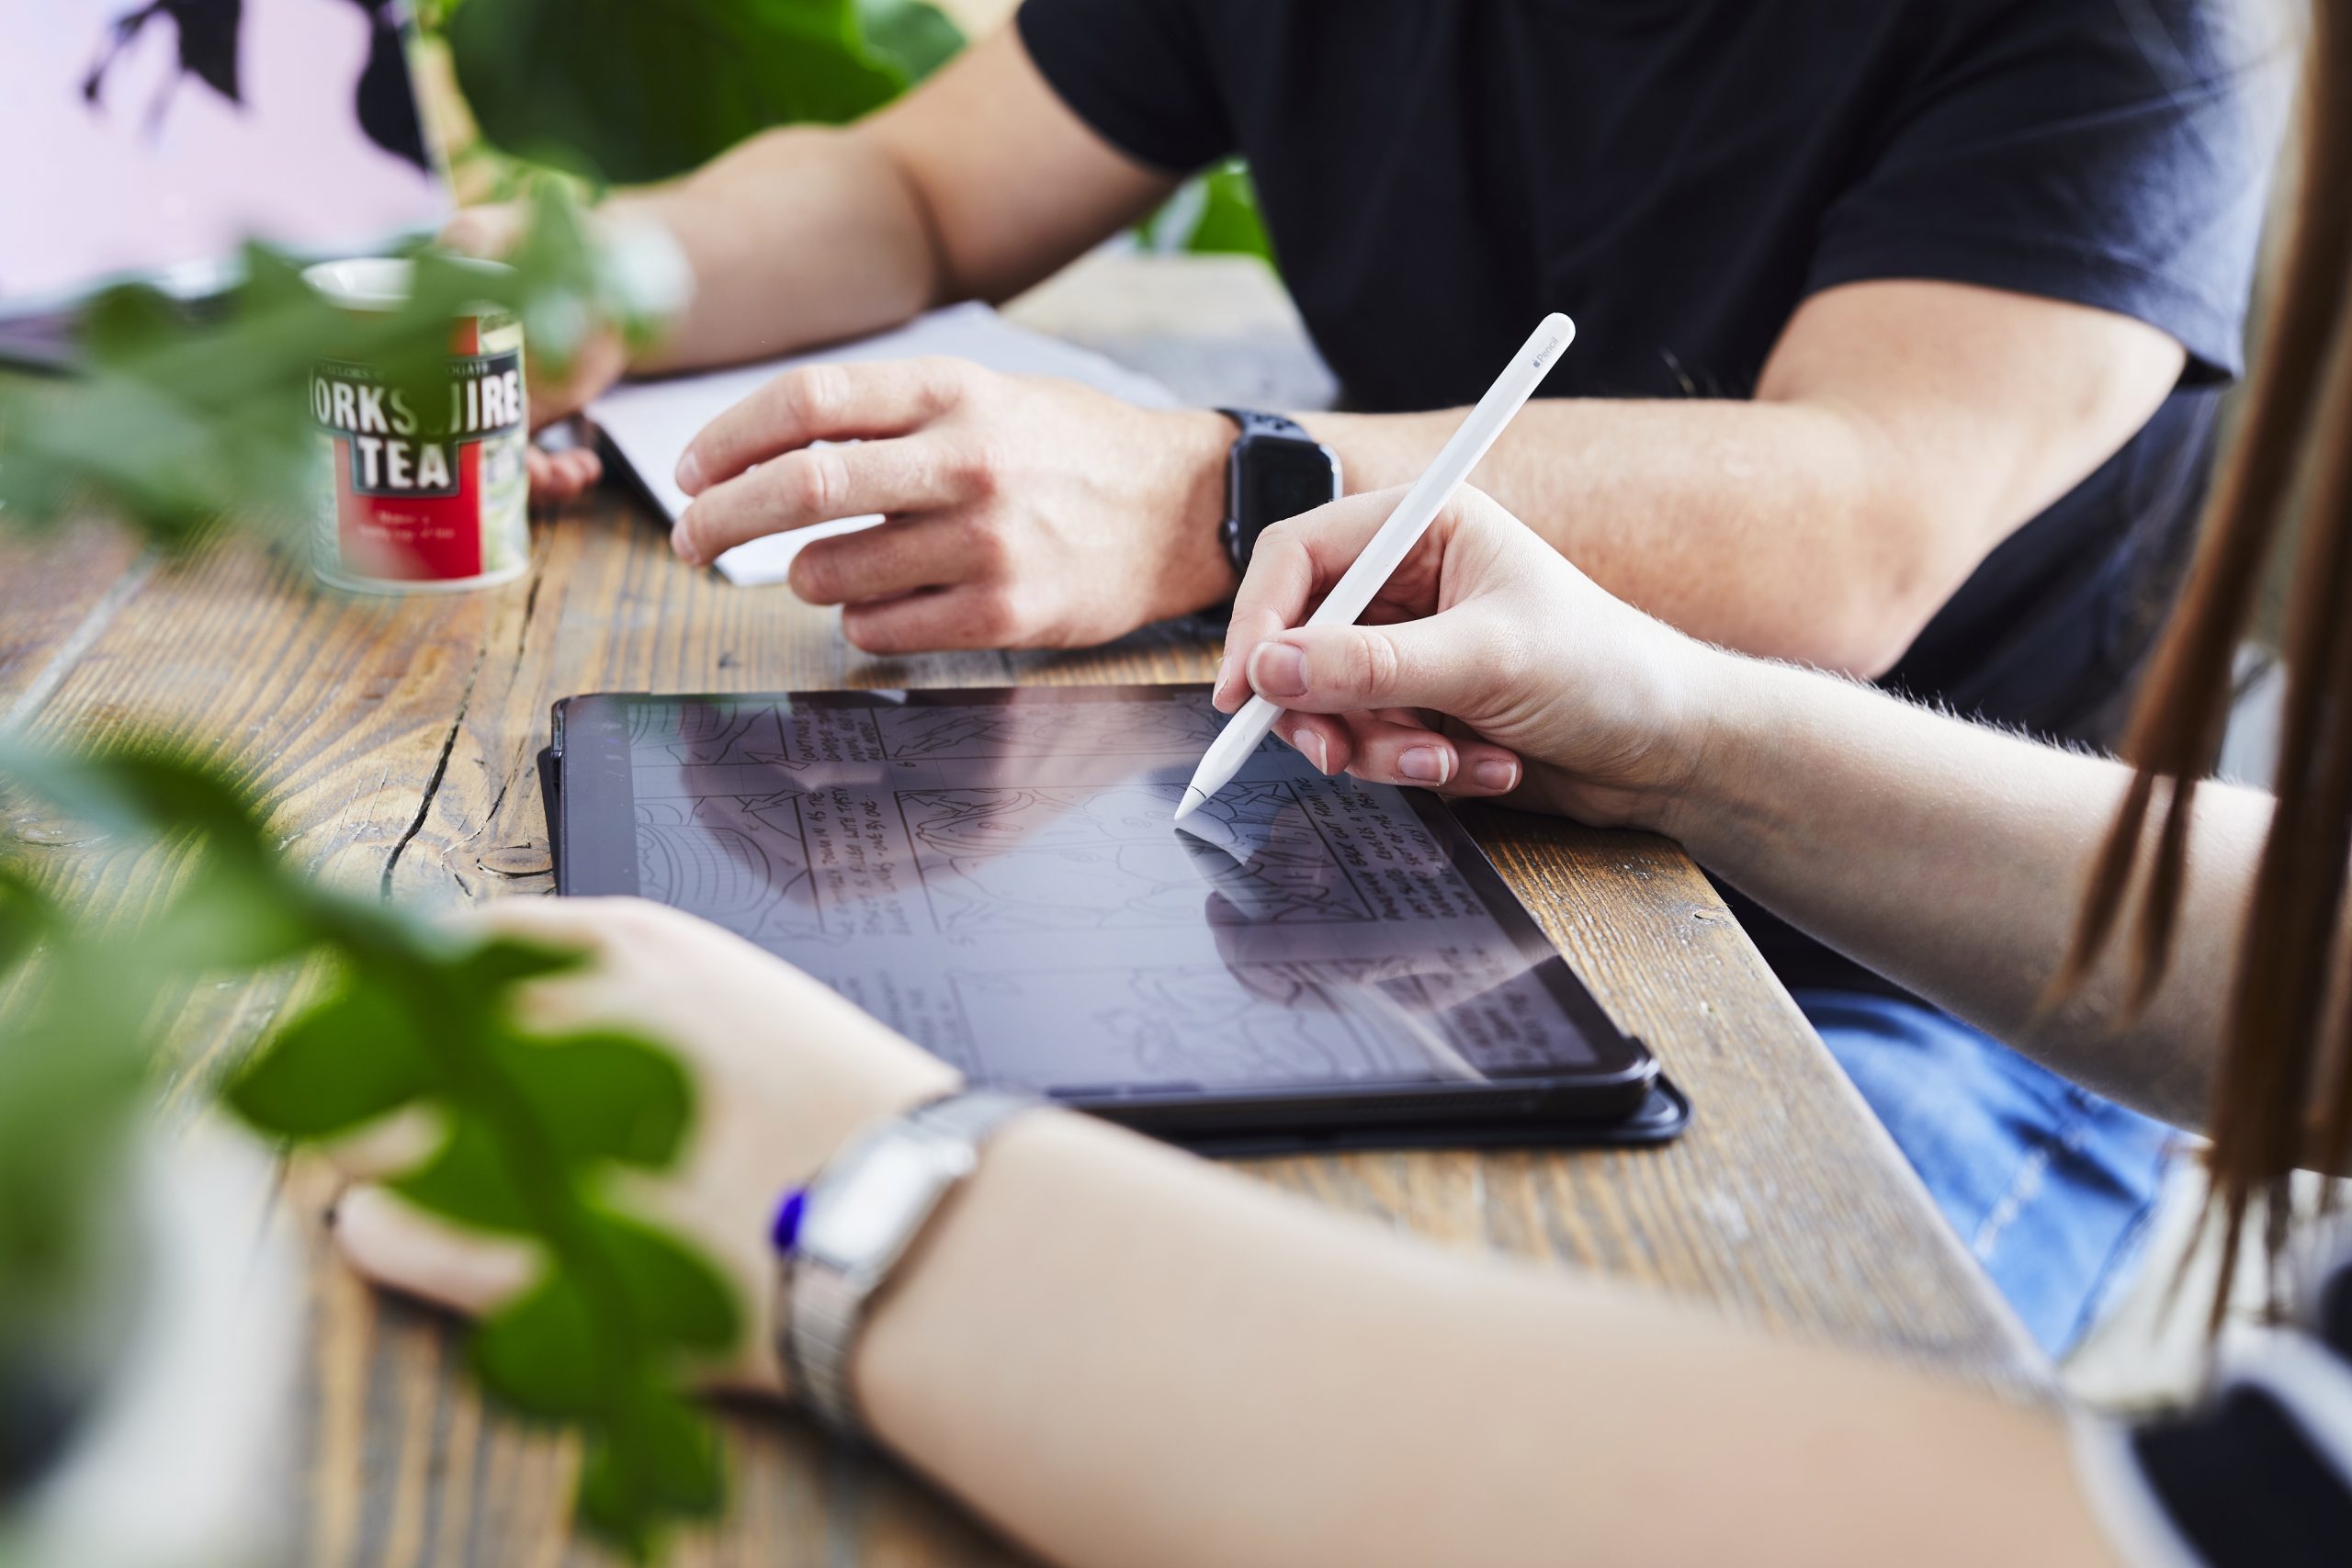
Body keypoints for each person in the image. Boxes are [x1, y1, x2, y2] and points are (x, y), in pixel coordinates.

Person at [332, 1, 2352, 1550]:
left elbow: (1859, 510)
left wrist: (1218, 489)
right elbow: (923, 191)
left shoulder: (2129, 35)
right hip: (1382, 826)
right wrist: (591, 281)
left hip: (1928, 997)